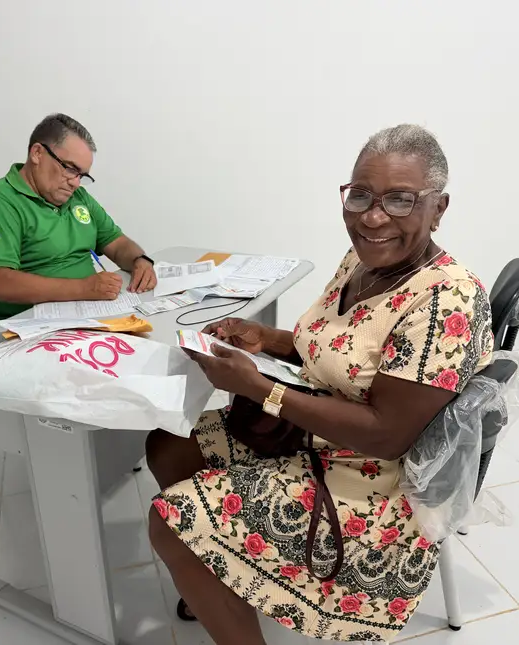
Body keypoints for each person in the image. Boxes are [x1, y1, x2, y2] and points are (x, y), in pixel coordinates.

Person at [146, 124, 494, 644]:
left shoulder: (447, 302)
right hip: (319, 434)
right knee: (168, 444)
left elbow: (387, 435)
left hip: (374, 485)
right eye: (361, 195)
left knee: (168, 523)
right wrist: (266, 339)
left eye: (400, 200)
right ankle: (220, 568)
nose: (372, 217)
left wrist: (262, 389)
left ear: (438, 208)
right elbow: (342, 351)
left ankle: (206, 554)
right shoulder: (363, 260)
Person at [0, 113, 156, 327]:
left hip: (85, 316)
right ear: (37, 153)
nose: (75, 183)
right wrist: (84, 289)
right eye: (70, 169)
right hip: (23, 328)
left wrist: (140, 260)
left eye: (81, 175)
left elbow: (117, 243)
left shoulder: (78, 198)